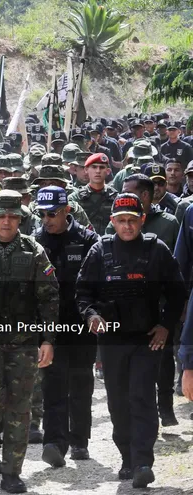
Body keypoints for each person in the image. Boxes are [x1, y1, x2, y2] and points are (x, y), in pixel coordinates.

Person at [76, 192, 185, 488]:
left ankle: (142, 461)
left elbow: (177, 292)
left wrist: (165, 325)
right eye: (121, 221)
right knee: (118, 401)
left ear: (142, 220)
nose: (127, 226)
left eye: (132, 221)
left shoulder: (157, 250)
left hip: (147, 339)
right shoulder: (100, 251)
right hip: (112, 342)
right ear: (113, 222)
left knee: (142, 396)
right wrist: (91, 316)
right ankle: (126, 455)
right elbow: (83, 294)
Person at [0, 190, 59, 494]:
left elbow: (49, 297)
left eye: (12, 216)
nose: (6, 221)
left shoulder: (34, 251)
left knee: (19, 408)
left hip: (23, 343)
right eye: (0, 215)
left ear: (20, 218)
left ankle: (12, 472)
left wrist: (48, 339)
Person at [33, 186, 100, 468]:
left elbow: (99, 284)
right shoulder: (35, 241)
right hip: (50, 328)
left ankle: (79, 441)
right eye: (42, 214)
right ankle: (54, 442)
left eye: (52, 213)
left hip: (81, 325)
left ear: (67, 211)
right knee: (53, 384)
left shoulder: (87, 241)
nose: (47, 219)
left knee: (81, 384)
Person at [68, 153, 118, 235]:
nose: (98, 171)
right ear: (86, 170)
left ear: (108, 171)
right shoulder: (75, 198)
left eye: (102, 167)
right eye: (94, 167)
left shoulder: (115, 198)